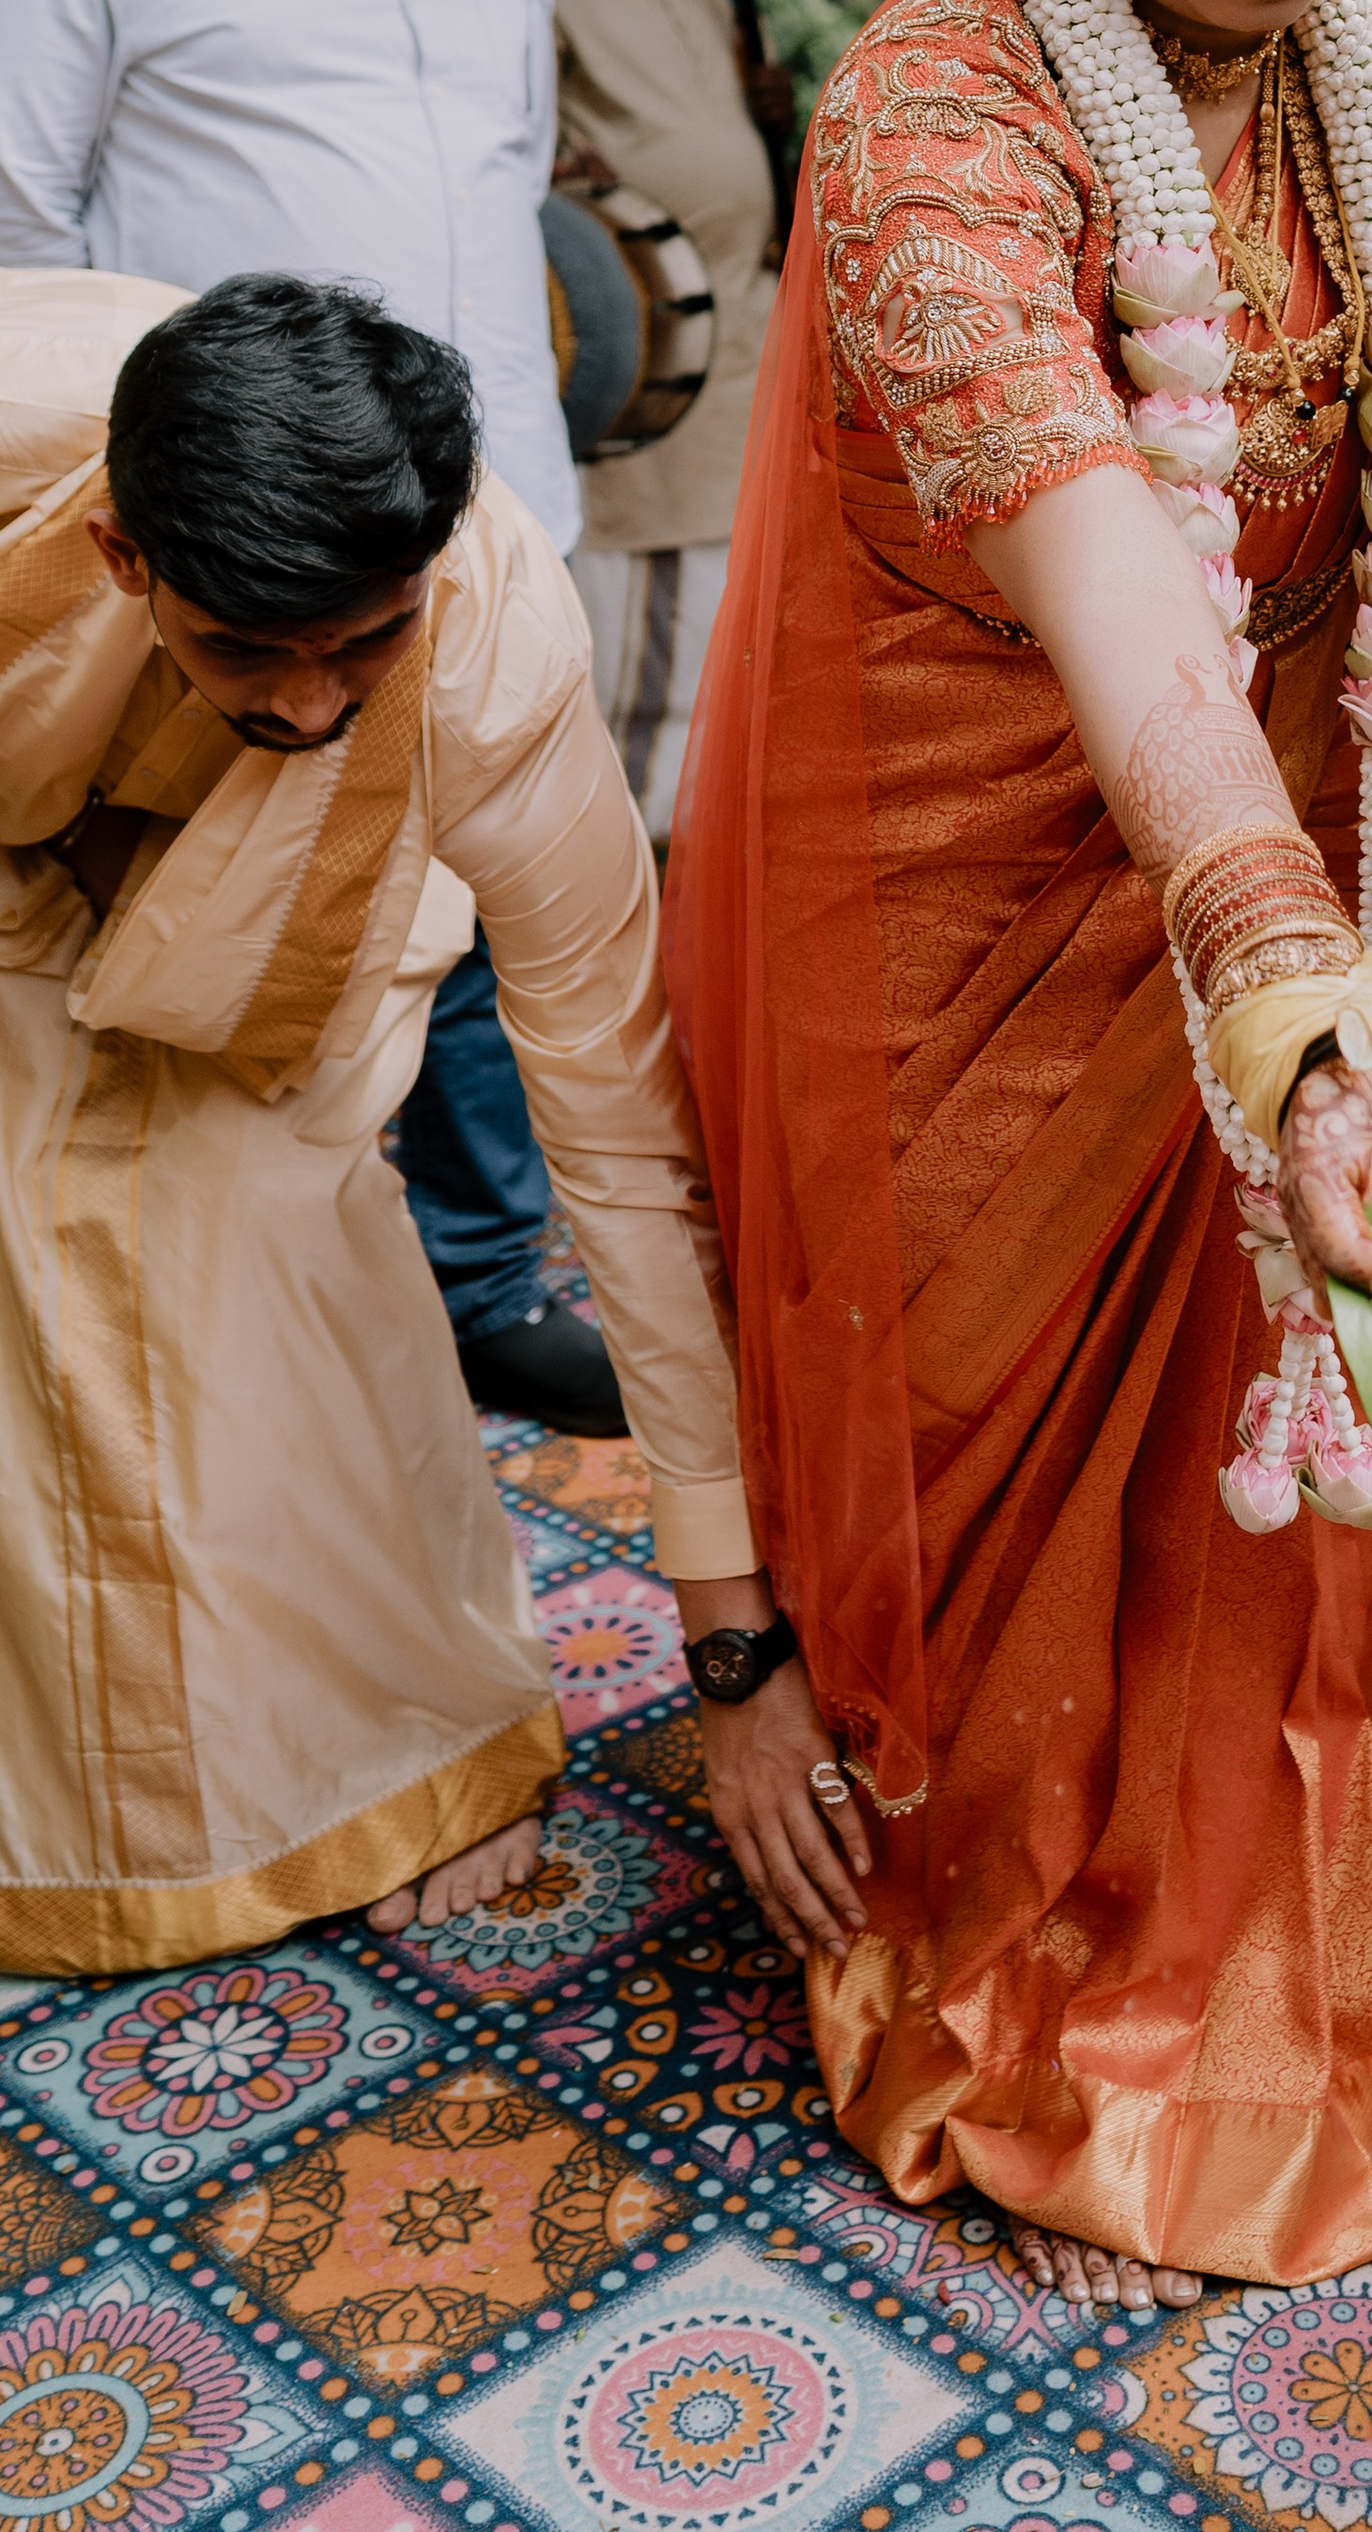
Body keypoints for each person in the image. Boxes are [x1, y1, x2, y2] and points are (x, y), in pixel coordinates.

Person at [663, 0, 1372, 2311]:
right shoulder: (942, 110)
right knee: (983, 1415)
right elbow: (1095, 542)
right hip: (978, 862)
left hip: (1325, 780)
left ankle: (1259, 1830)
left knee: (1270, 1411)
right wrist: (1287, 965)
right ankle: (987, 1871)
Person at [0, 268, 854, 1972]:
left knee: (262, 1217)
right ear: (123, 559)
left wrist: (733, 1644)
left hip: (303, 908)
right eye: (246, 647)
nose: (311, 706)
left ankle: (404, 1744)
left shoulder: (490, 642)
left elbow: (618, 1139)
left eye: (357, 646)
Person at [0, 0, 614, 1435]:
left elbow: (505, 189)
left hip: (478, 506)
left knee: (490, 908)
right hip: (228, 540)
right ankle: (231, 1285)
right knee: (227, 920)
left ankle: (484, 1277)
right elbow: (22, 219)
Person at [549, 0, 791, 837]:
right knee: (652, 626)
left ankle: (706, 842)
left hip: (741, 319)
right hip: (643, 334)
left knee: (733, 595)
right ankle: (645, 853)